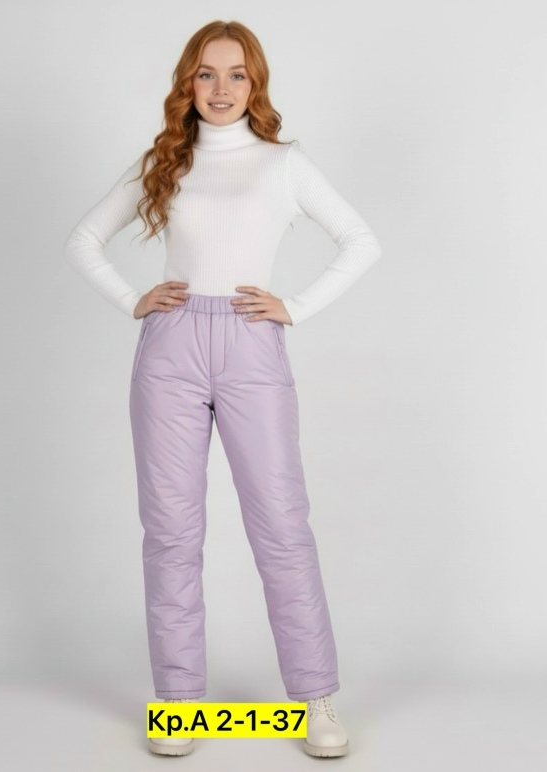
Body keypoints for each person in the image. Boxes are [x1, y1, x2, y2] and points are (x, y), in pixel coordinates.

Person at [64, 20, 381, 759]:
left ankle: (315, 699)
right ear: (188, 81)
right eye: (206, 73)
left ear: (255, 83)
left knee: (282, 525)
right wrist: (132, 299)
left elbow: (361, 240)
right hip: (170, 349)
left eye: (237, 74)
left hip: (251, 343)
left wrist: (294, 307)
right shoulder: (164, 161)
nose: (221, 88)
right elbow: (82, 239)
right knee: (171, 531)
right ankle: (179, 702)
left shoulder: (283, 163)